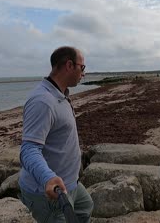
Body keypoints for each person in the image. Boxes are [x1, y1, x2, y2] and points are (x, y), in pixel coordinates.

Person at [19, 46, 93, 222]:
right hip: (50, 193)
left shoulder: (60, 95)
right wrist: (48, 178)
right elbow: (28, 150)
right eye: (82, 68)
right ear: (69, 65)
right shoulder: (43, 101)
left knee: (85, 207)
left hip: (70, 184)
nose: (83, 74)